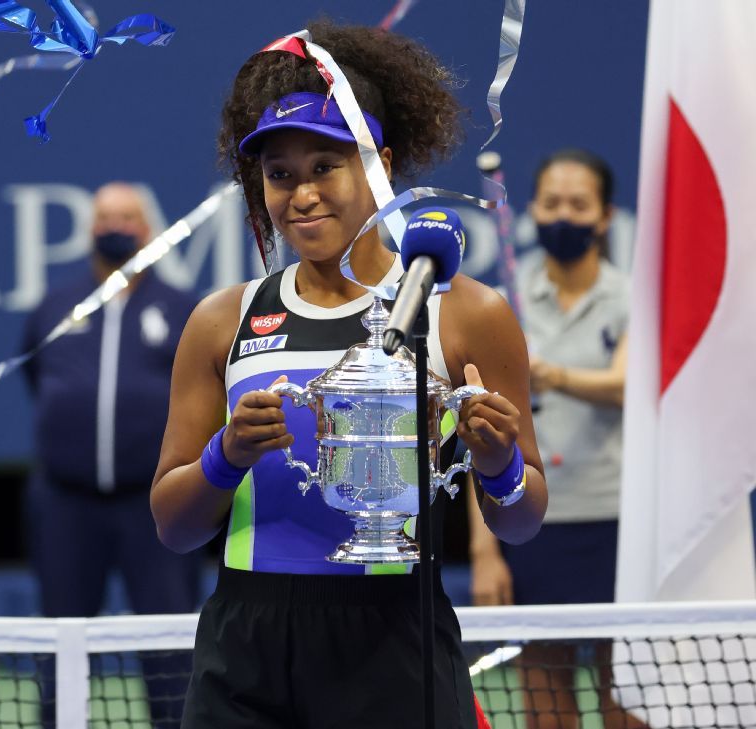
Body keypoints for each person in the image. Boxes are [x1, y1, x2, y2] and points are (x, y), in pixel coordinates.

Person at [149, 19, 549, 728]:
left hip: (396, 638)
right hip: (246, 645)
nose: (301, 195)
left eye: (324, 166)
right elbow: (174, 527)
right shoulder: (223, 320)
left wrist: (498, 462)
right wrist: (226, 453)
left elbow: (520, 520)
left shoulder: (467, 314)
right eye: (279, 175)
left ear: (379, 165)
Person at [469, 150, 644, 729]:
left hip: (618, 524)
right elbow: (479, 443)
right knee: (546, 707)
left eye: (578, 204)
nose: (563, 214)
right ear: (532, 211)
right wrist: (486, 550)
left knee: (629, 703)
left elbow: (629, 386)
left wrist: (553, 376)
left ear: (604, 217)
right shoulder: (497, 308)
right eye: (551, 203)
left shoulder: (635, 299)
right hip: (531, 524)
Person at [21, 182, 201, 726]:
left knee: (168, 642)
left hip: (153, 506)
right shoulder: (54, 306)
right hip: (66, 504)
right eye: (103, 218)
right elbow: (37, 382)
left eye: (125, 217)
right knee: (62, 640)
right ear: (89, 229)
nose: (113, 227)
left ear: (148, 231)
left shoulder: (182, 310)